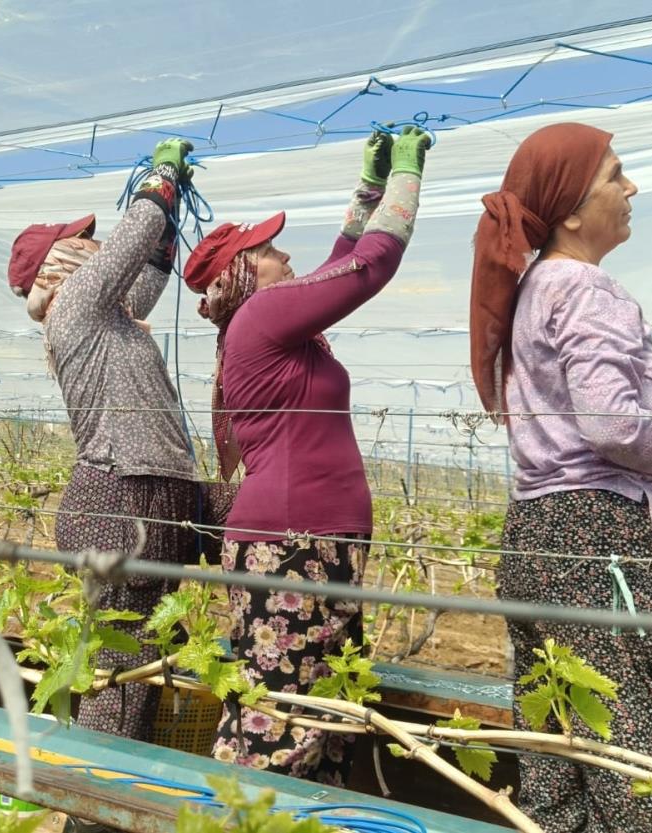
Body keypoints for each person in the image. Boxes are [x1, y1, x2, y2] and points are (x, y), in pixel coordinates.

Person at [470, 122, 652, 832]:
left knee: (558, 748)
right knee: (641, 754)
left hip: (541, 534)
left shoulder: (533, 289)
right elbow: (613, 426)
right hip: (608, 540)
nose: (630, 188)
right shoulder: (584, 287)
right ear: (571, 212)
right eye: (614, 175)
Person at [182, 126, 431, 785]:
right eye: (268, 249)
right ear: (243, 273)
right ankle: (232, 822)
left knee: (323, 720)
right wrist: (408, 178)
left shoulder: (275, 323)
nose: (285, 253)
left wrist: (369, 189)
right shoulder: (261, 316)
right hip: (290, 547)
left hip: (312, 542)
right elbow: (366, 268)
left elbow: (334, 266)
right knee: (278, 730)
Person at [7, 139, 232, 741]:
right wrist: (162, 177)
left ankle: (119, 776)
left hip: (155, 489)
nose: (96, 245)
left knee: (148, 654)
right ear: (59, 264)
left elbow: (149, 267)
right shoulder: (74, 307)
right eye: (82, 241)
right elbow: (134, 240)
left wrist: (171, 208)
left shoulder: (105, 314)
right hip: (119, 497)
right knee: (122, 667)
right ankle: (92, 784)